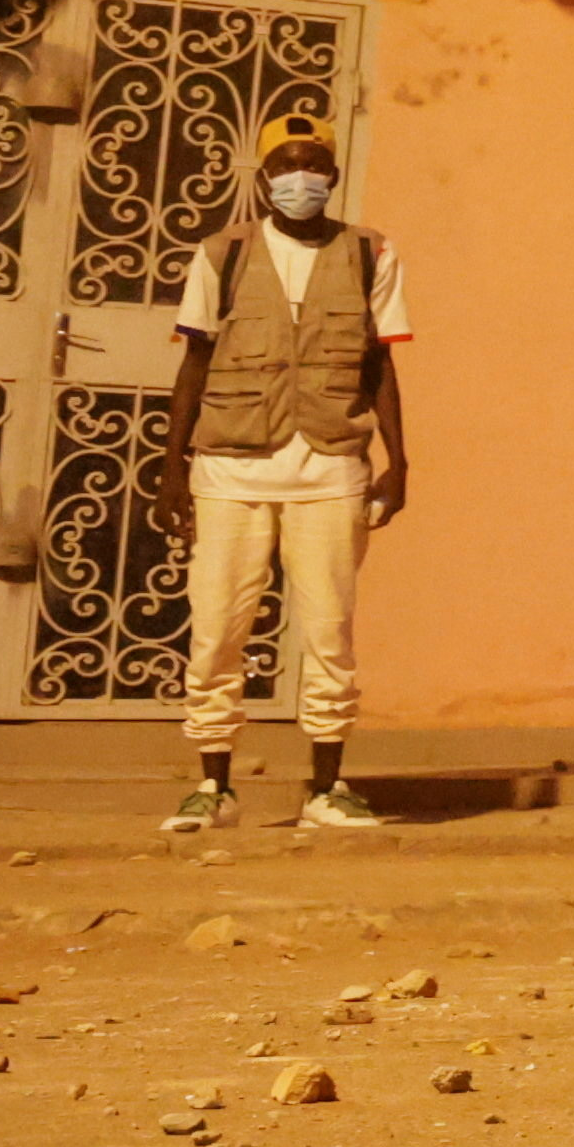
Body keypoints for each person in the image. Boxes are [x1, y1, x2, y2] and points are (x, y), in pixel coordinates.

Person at [155, 116, 407, 833]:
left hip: (330, 468)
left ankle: (327, 787)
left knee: (330, 630)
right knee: (217, 630)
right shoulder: (222, 253)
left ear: (332, 172)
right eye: (289, 164)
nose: (304, 177)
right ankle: (213, 787)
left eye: (316, 163)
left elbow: (381, 363)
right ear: (264, 175)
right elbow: (193, 364)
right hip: (231, 469)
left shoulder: (369, 253)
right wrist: (172, 469)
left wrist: (400, 461)